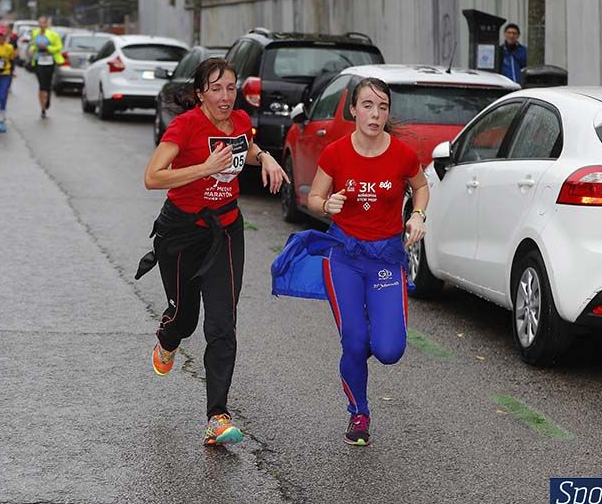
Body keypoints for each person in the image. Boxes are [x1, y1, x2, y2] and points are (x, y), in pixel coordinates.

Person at [138, 57, 288, 447]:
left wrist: (266, 157)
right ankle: (168, 338)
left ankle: (216, 417)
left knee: (222, 323)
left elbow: (247, 148)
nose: (225, 96)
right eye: (216, 88)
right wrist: (203, 168)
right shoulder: (185, 126)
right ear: (200, 93)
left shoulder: (239, 120)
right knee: (186, 319)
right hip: (181, 232)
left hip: (224, 230)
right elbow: (152, 177)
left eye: (231, 87)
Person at [270, 78, 428, 447]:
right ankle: (359, 412)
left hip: (386, 257)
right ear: (353, 109)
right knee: (354, 343)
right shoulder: (336, 153)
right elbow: (312, 198)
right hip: (344, 258)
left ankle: (373, 328)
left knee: (389, 350)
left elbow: (421, 186)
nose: (375, 114)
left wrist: (418, 215)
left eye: (383, 107)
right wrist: (327, 206)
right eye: (368, 106)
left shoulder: (402, 154)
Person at [28, 16, 64, 119]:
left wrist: (47, 47)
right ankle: (42, 108)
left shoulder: (53, 35)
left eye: (44, 23)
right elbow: (33, 45)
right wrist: (32, 49)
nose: (41, 25)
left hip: (49, 61)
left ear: (47, 24)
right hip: (39, 61)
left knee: (47, 84)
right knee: (41, 84)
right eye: (40, 23)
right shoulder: (35, 33)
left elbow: (59, 47)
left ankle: (47, 99)